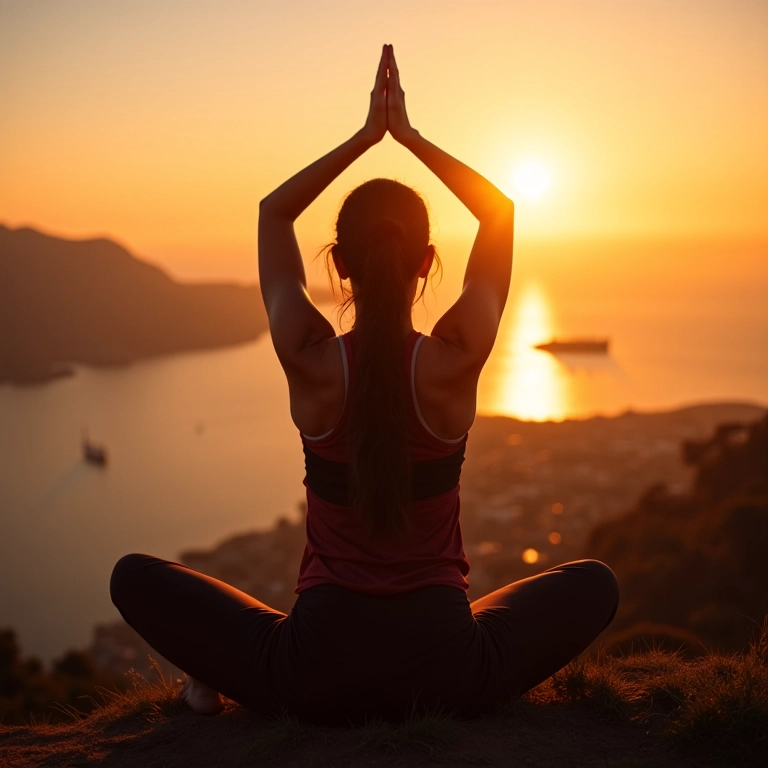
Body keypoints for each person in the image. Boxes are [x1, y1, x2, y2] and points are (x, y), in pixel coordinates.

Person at [110, 45, 618, 723]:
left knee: (133, 578)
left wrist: (363, 139)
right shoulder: (452, 361)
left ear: (341, 265)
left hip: (314, 672)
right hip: (446, 667)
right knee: (594, 585)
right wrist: (408, 138)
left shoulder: (311, 360)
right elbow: (499, 214)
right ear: (428, 263)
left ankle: (210, 685)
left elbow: (272, 214)